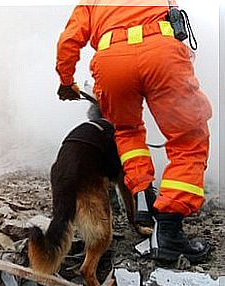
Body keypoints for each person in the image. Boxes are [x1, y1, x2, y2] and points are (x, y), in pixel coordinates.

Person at [55, 0, 212, 263]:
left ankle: (142, 195)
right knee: (189, 140)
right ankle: (169, 230)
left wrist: (66, 81)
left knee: (127, 131)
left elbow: (69, 39)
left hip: (111, 61)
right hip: (160, 53)